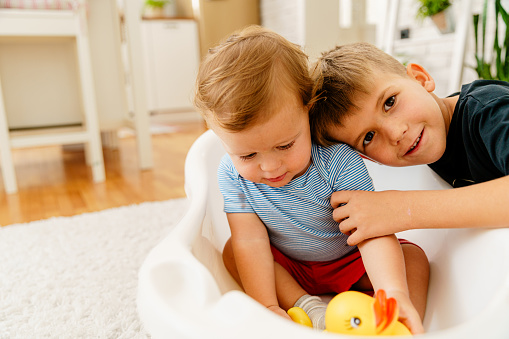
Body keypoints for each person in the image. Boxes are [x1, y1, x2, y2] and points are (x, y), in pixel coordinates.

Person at [194, 26, 428, 334]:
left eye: (285, 145)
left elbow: (371, 230)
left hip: (350, 259)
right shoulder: (232, 174)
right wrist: (267, 306)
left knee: (412, 259)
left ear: (308, 109)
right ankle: (306, 305)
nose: (269, 167)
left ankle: (392, 320)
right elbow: (251, 241)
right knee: (233, 252)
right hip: (291, 268)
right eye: (247, 156)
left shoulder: (335, 160)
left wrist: (393, 291)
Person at [309, 42, 509, 246]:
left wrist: (404, 210)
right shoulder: (429, 138)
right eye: (369, 136)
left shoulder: (490, 110)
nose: (396, 133)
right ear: (365, 158)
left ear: (421, 79)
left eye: (390, 102)